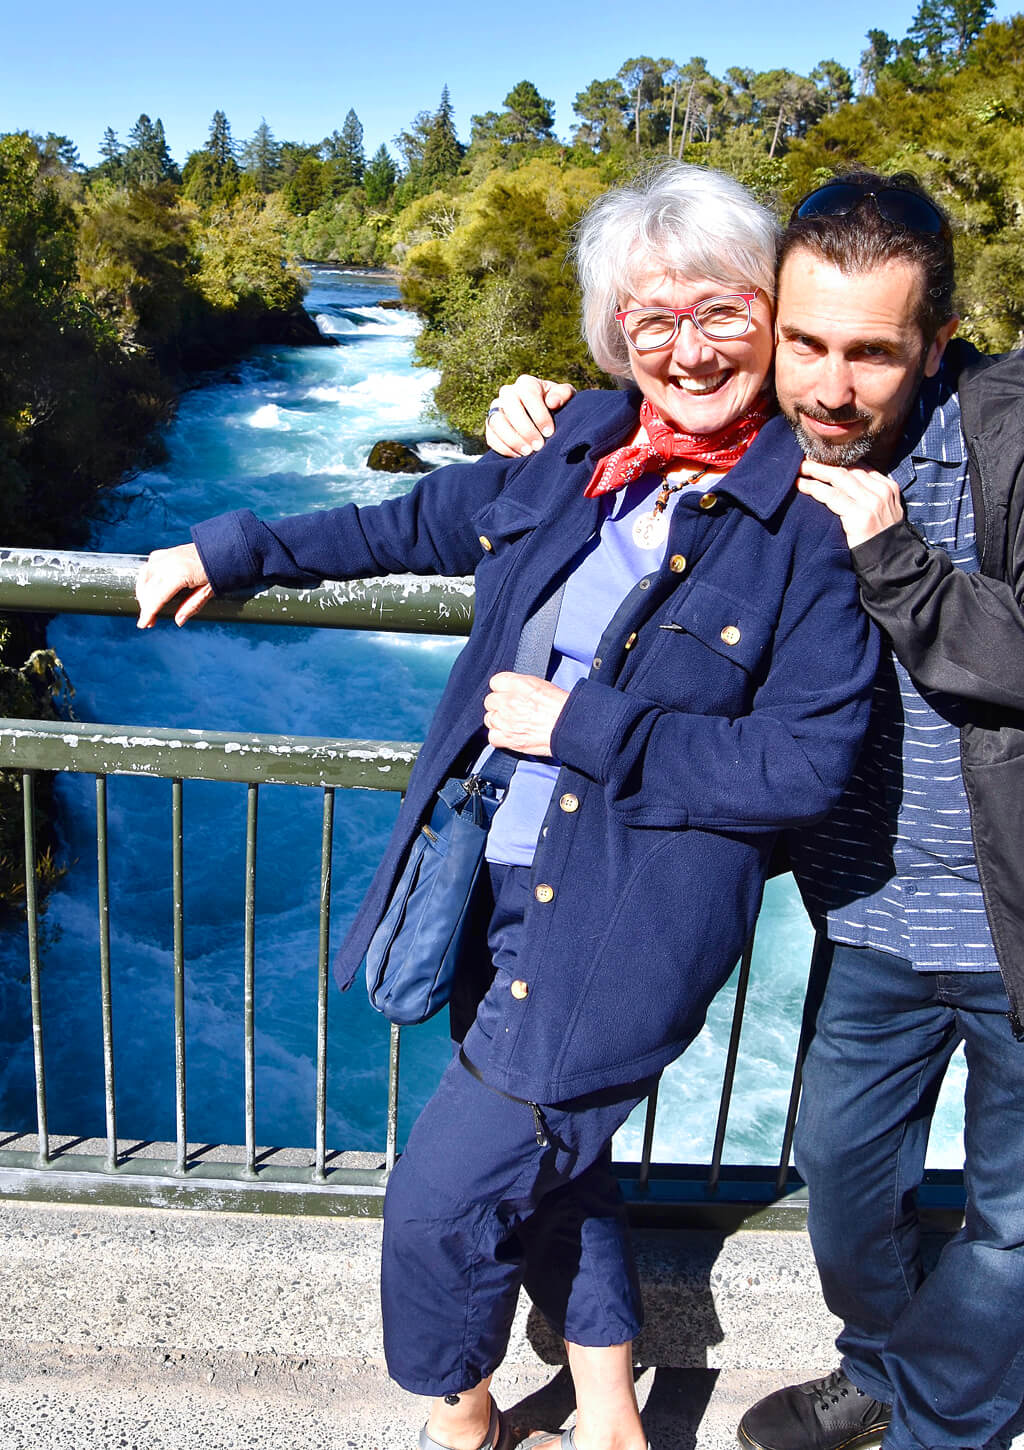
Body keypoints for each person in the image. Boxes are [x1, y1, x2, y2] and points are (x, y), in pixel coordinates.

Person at [134, 163, 876, 1450]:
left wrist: (587, 725)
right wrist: (230, 545)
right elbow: (404, 524)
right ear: (612, 332)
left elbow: (805, 767)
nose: (687, 350)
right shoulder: (580, 445)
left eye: (720, 314)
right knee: (560, 1157)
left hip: (629, 915)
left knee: (439, 1200)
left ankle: (462, 1412)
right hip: (494, 873)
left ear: (775, 316)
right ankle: (608, 1413)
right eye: (652, 319)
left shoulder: (810, 518)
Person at [484, 169, 1024, 1450]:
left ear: (936, 346)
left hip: (1013, 925)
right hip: (869, 921)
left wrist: (897, 564)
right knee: (846, 1195)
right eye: (806, 343)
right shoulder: (770, 430)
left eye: (874, 354)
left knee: (1011, 1224)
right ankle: (891, 1369)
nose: (832, 386)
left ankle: (946, 1425)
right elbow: (662, 404)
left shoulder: (1009, 443)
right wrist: (549, 414)